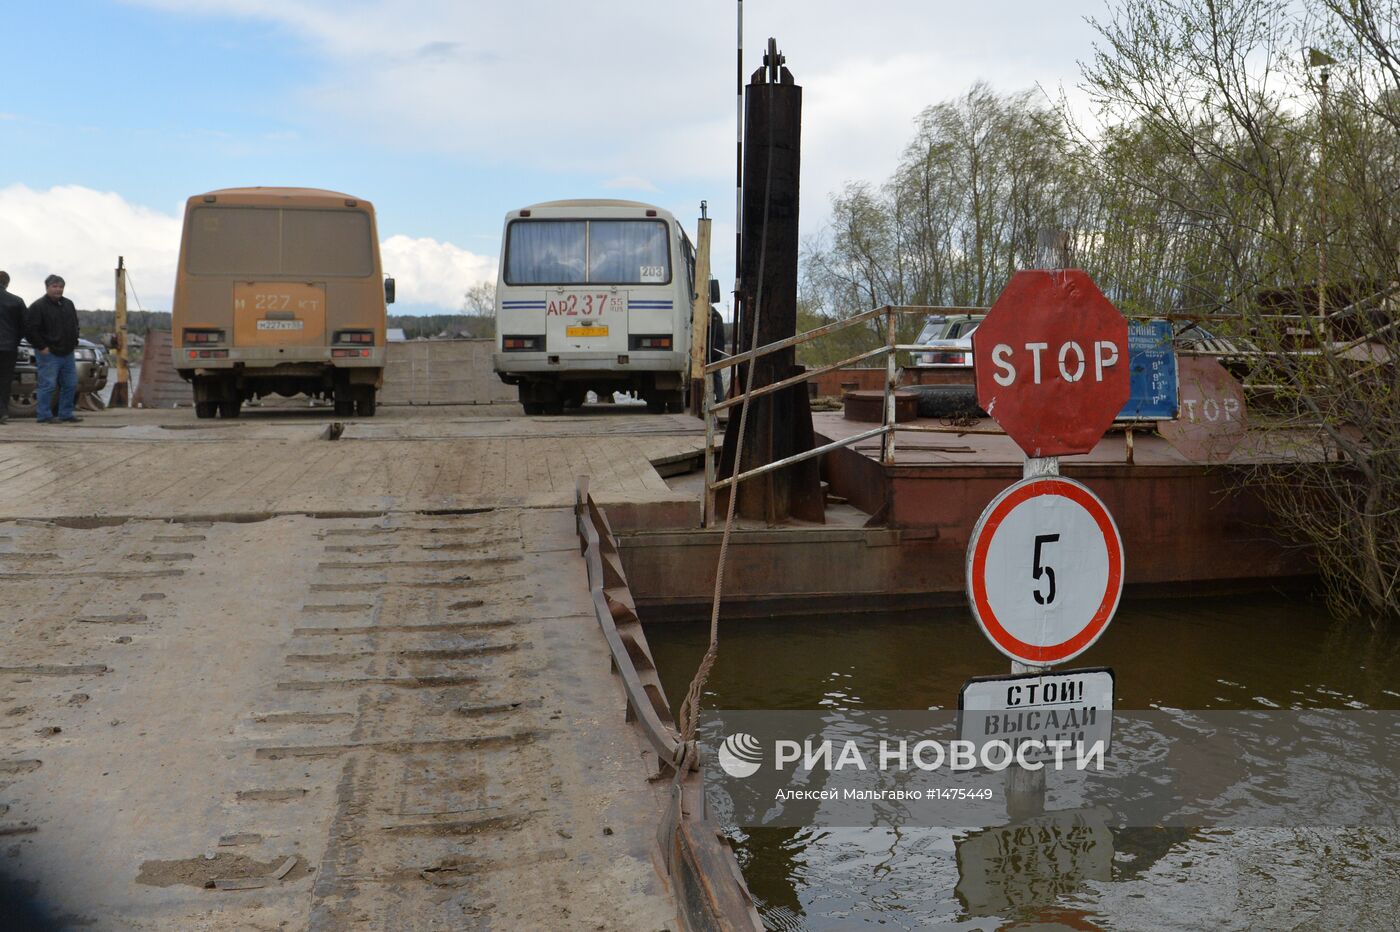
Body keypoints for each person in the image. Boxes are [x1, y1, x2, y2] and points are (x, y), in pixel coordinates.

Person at [25, 274, 82, 424]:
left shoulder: (68, 304)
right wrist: (41, 346)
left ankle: (65, 413)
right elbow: (30, 329)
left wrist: (74, 340)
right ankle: (44, 415)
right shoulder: (38, 306)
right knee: (48, 385)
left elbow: (75, 324)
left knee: (70, 384)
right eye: (55, 286)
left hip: (68, 352)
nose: (58, 290)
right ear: (47, 287)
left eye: (61, 287)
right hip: (49, 353)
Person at [0, 272, 24, 425]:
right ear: (7, 283)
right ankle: (2, 412)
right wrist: (15, 340)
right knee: (5, 380)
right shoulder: (16, 301)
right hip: (9, 347)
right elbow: (25, 326)